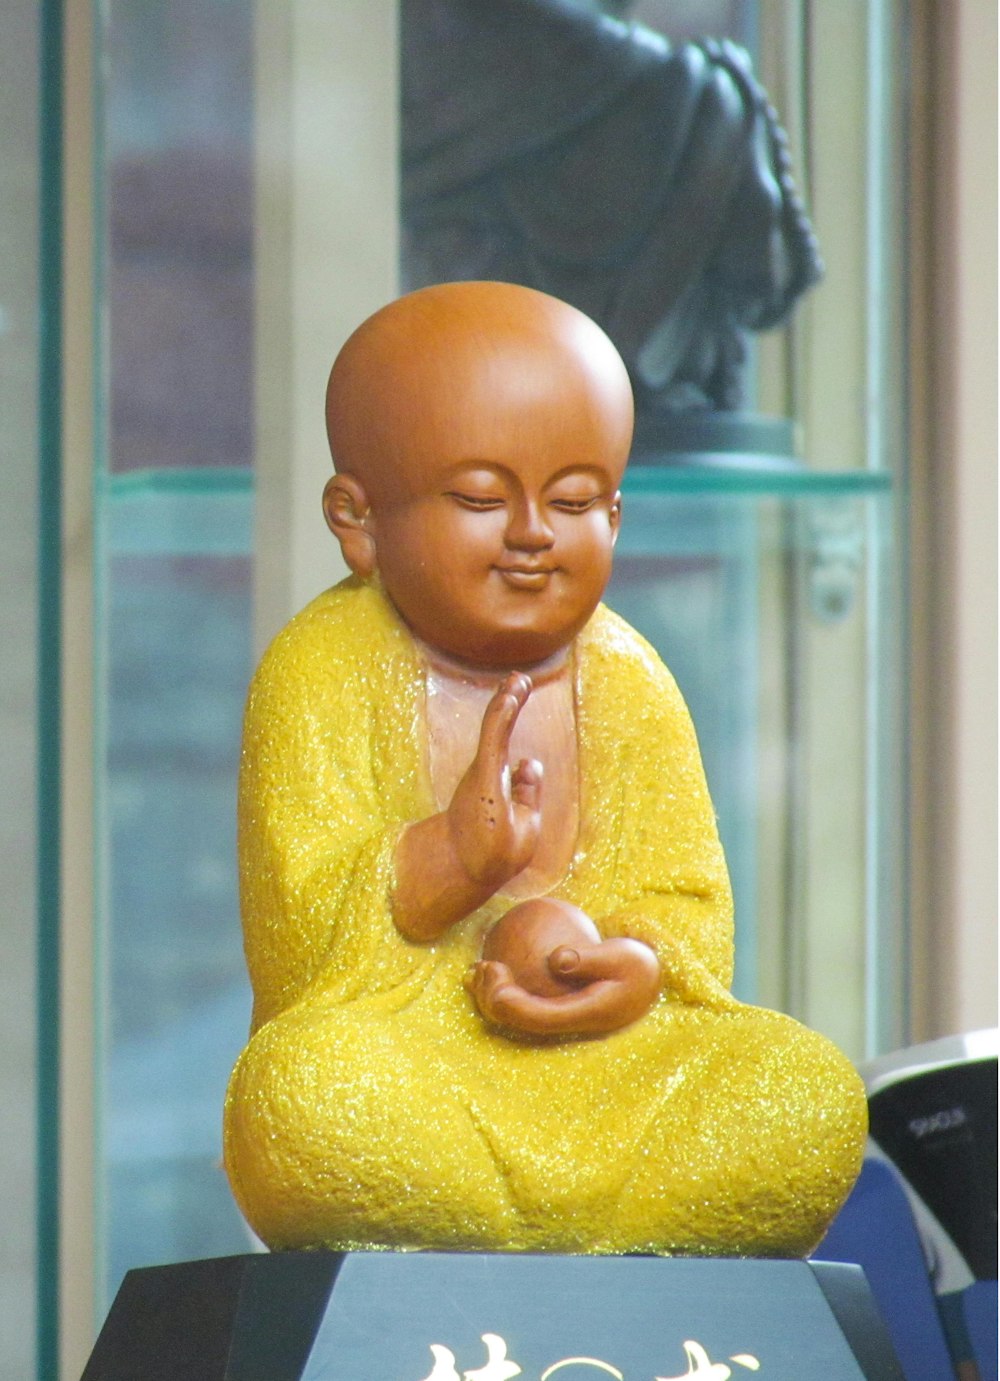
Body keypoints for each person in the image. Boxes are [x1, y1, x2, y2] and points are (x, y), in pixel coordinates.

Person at [223, 281, 866, 1256]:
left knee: (803, 1089)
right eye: (481, 497)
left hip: (614, 1069)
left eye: (571, 501)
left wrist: (630, 968)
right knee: (302, 1094)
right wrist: (448, 859)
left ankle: (568, 1237)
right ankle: (515, 1234)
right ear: (357, 520)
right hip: (423, 1066)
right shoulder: (319, 670)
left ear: (615, 512)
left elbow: (687, 914)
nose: (531, 533)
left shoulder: (628, 679)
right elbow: (296, 944)